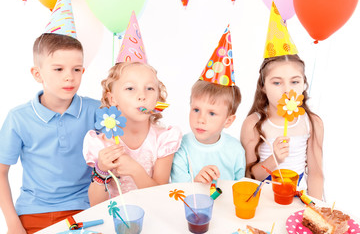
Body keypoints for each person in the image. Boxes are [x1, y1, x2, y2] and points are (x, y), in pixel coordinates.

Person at [0, 32, 100, 233]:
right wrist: (13, 223)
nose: (69, 76)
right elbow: (1, 171)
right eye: (58, 69)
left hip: (86, 208)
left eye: (76, 69)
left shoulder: (98, 111)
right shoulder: (18, 118)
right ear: (37, 74)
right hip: (33, 212)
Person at [83, 61, 182, 205]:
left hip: (153, 215)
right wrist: (101, 170)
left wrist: (135, 170)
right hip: (116, 218)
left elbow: (161, 198)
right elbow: (95, 204)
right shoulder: (103, 143)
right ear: (112, 99)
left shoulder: (163, 139)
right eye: (130, 88)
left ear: (157, 98)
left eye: (149, 88)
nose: (142, 96)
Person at [240, 54, 324, 199]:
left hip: (296, 198)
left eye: (295, 82)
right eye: (277, 83)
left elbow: (316, 173)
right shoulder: (252, 124)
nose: (287, 90)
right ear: (263, 87)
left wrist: (314, 209)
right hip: (263, 198)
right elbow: (250, 176)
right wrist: (274, 160)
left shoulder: (312, 122)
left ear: (304, 84)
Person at [171, 26, 246, 184]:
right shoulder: (180, 147)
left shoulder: (235, 150)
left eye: (211, 113)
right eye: (196, 109)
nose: (201, 119)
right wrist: (197, 183)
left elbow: (239, 187)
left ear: (228, 120)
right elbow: (177, 192)